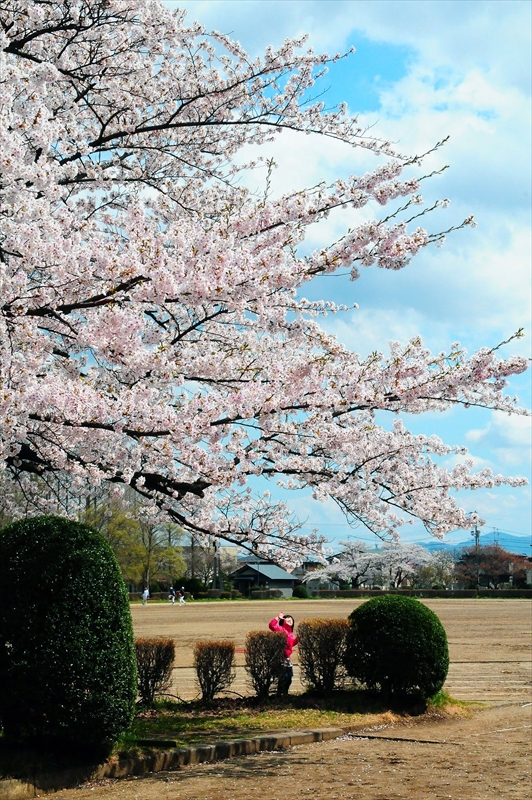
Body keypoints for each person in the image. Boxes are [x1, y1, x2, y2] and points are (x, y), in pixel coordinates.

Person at [269, 612, 299, 695]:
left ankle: (284, 693)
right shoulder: (280, 630)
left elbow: (291, 644)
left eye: (291, 619)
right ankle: (280, 694)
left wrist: (298, 639)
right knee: (283, 677)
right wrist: (278, 618)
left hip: (287, 658)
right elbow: (271, 625)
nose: (290, 620)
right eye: (287, 619)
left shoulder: (290, 633)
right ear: (283, 621)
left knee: (289, 678)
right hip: (281, 658)